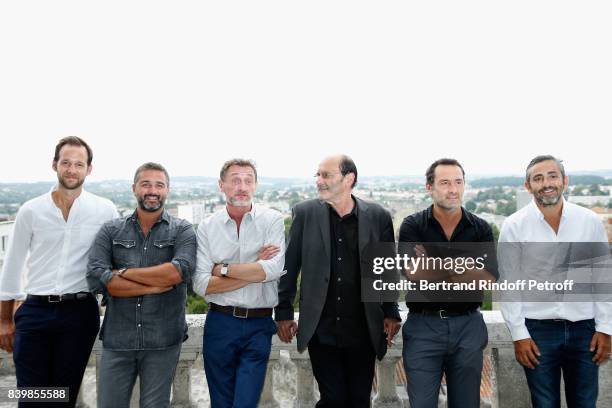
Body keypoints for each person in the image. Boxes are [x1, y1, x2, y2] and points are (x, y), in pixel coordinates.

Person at [275, 154, 402, 408]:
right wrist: (284, 311)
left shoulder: (378, 216)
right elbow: (290, 264)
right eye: (318, 175)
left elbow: (387, 269)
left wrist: (390, 310)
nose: (319, 181)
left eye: (326, 175)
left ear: (349, 179)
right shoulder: (304, 213)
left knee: (358, 399)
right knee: (333, 399)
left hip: (364, 328)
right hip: (321, 328)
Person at [0, 137, 118, 407]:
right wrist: (5, 320)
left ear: (89, 169)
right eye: (66, 163)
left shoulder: (104, 210)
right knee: (30, 396)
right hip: (35, 311)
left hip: (79, 313)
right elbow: (13, 265)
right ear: (55, 165)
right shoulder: (31, 210)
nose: (72, 169)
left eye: (79, 164)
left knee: (63, 396)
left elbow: (114, 260)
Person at [499, 155, 611, 407]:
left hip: (585, 330)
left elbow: (602, 277)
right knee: (544, 404)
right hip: (538, 332)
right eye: (538, 178)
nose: (546, 183)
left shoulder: (589, 221)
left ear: (564, 181)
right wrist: (519, 334)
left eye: (552, 176)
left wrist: (605, 327)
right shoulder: (514, 226)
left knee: (584, 403)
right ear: (528, 186)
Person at [87, 162, 196, 408]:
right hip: (119, 340)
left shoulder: (182, 230)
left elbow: (180, 271)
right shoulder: (111, 230)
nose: (152, 190)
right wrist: (155, 284)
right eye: (146, 184)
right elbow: (96, 277)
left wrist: (121, 274)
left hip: (163, 340)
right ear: (134, 188)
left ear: (167, 190)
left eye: (159, 185)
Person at [399, 158, 497, 408]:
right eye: (444, 183)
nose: (453, 189)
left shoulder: (480, 228)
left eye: (458, 182)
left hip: (468, 326)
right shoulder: (413, 225)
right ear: (429, 187)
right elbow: (412, 272)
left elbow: (489, 277)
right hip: (424, 326)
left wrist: (434, 264)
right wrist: (465, 265)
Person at [192, 159, 285, 408]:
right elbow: (201, 284)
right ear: (221, 185)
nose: (242, 186)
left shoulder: (272, 220)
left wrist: (221, 270)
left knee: (245, 403)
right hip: (220, 324)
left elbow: (273, 270)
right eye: (235, 180)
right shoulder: (206, 226)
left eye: (248, 180)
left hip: (259, 324)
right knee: (220, 403)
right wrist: (255, 266)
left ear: (256, 185)